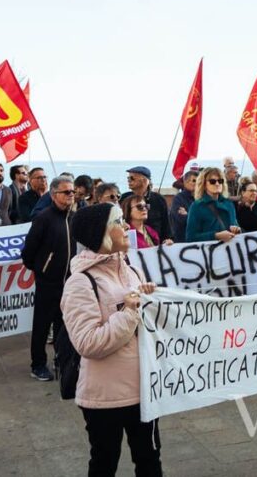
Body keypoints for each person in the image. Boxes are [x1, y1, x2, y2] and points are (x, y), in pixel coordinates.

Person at [62, 203, 163, 476]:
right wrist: (129, 312)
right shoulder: (80, 283)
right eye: (119, 221)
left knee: (150, 462)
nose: (127, 227)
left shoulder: (131, 270)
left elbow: (147, 326)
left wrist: (150, 300)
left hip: (143, 390)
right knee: (105, 464)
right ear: (101, 233)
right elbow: (88, 343)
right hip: (105, 398)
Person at [20, 176, 77, 381]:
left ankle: (61, 361)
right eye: (66, 192)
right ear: (54, 195)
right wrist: (42, 270)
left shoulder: (74, 217)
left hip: (69, 282)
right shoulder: (43, 218)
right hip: (48, 282)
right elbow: (29, 251)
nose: (71, 195)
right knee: (42, 326)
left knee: (64, 325)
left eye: (72, 191)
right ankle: (38, 365)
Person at [186, 167, 240, 242]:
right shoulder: (197, 206)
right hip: (210, 251)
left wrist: (236, 229)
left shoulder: (229, 204)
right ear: (204, 184)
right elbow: (191, 237)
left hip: (230, 250)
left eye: (220, 181)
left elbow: (234, 224)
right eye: (212, 181)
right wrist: (216, 235)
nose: (217, 184)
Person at [121, 166, 172, 242]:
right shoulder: (123, 198)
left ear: (144, 181)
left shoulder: (159, 199)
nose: (129, 181)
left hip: (155, 244)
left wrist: (168, 239)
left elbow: (166, 224)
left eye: (132, 178)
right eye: (128, 178)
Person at [168, 169, 198, 242]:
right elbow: (181, 220)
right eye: (193, 181)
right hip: (183, 240)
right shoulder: (178, 199)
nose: (196, 183)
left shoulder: (201, 198)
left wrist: (188, 215)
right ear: (185, 182)